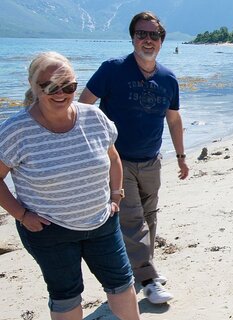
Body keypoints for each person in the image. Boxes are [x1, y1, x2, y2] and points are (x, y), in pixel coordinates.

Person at [0, 52, 171, 320]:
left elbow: (114, 157)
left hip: (101, 222)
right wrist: (21, 214)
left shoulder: (93, 117)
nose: (60, 92)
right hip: (49, 230)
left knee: (121, 283)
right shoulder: (16, 131)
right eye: (48, 85)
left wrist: (115, 195)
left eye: (68, 84)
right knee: (66, 294)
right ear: (34, 87)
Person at [79, 11, 189, 304]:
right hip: (117, 159)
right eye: (142, 34)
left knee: (149, 216)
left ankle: (142, 266)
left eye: (154, 35)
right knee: (131, 219)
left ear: (162, 41)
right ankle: (150, 279)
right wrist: (92, 147)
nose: (148, 40)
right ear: (132, 38)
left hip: (152, 158)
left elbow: (174, 120)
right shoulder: (112, 70)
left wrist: (180, 156)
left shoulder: (168, 78)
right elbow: (83, 107)